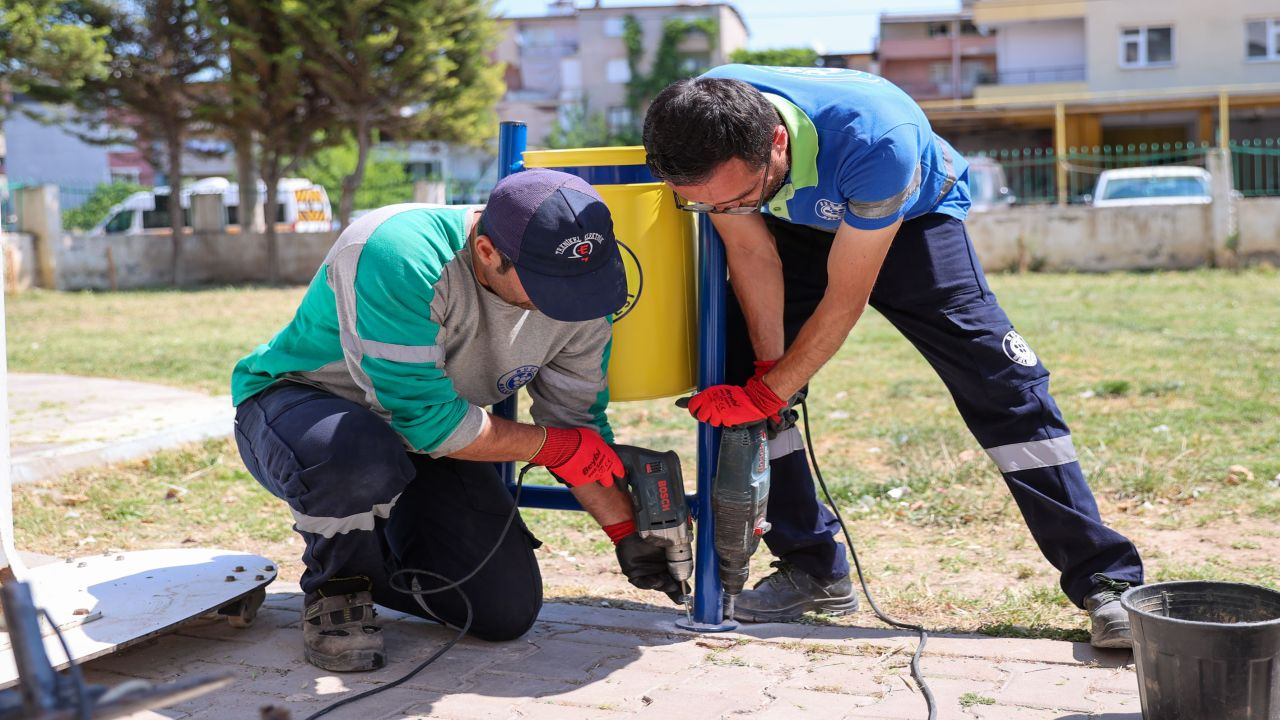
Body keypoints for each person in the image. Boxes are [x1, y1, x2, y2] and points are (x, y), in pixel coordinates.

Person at [641, 65, 1144, 648]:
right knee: (741, 373)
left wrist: (771, 391)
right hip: (794, 224)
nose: (723, 207)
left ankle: (1106, 578)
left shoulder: (878, 139)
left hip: (910, 218)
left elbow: (844, 302)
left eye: (736, 196)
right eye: (704, 205)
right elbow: (752, 252)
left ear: (776, 141)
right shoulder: (701, 119)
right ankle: (812, 567)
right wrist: (765, 380)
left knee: (1003, 384)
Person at [231, 169, 683, 672]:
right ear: (487, 251)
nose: (565, 307)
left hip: (428, 432)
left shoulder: (581, 294)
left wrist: (625, 529)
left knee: (501, 611)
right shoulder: (397, 252)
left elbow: (574, 427)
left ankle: (372, 562)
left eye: (580, 286)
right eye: (547, 287)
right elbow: (428, 422)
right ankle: (337, 589)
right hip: (304, 409)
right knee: (357, 455)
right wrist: (553, 447)